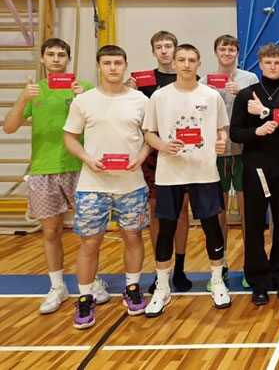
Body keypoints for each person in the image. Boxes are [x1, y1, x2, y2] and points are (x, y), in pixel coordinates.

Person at [2, 38, 106, 314]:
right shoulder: (33, 91)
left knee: (90, 232)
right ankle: (57, 286)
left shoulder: (84, 89)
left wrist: (83, 101)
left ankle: (92, 280)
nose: (56, 59)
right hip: (43, 170)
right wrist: (24, 99)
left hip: (80, 168)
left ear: (68, 59)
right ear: (42, 59)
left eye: (61, 54)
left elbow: (105, 120)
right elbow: (9, 127)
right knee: (50, 231)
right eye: (51, 54)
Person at [63, 45, 151, 328]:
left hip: (131, 185)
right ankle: (85, 297)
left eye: (117, 63)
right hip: (92, 186)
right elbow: (70, 138)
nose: (113, 68)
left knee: (133, 238)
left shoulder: (140, 100)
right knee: (90, 243)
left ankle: (132, 288)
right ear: (98, 66)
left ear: (126, 66)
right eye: (107, 63)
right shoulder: (83, 101)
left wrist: (141, 157)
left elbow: (150, 136)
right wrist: (87, 159)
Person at [142, 44, 232, 316]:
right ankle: (162, 287)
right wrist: (162, 145)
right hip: (170, 173)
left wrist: (221, 141)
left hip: (204, 172)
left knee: (211, 227)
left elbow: (221, 130)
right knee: (166, 230)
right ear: (175, 63)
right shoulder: (159, 96)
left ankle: (217, 281)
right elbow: (149, 133)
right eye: (181, 60)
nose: (186, 64)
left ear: (199, 64)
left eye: (192, 60)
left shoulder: (211, 95)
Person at [231, 43, 279, 305]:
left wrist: (264, 113)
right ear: (260, 65)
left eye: (277, 63)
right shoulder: (246, 95)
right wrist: (256, 131)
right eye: (268, 62)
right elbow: (235, 132)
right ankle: (258, 280)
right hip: (255, 166)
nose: (273, 67)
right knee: (254, 224)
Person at [129, 31, 192, 293]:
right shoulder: (141, 81)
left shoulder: (190, 79)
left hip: (185, 151)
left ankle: (179, 268)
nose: (164, 51)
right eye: (159, 46)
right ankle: (160, 270)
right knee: (157, 212)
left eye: (168, 46)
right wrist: (128, 89)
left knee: (182, 212)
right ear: (153, 51)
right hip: (155, 154)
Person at [200, 34, 259, 290]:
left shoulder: (250, 79)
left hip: (244, 152)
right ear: (216, 52)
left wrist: (242, 95)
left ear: (237, 53)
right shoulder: (204, 82)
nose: (227, 53)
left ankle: (250, 265)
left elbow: (259, 113)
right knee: (219, 213)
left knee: (248, 212)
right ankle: (221, 265)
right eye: (223, 49)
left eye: (231, 49)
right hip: (216, 154)